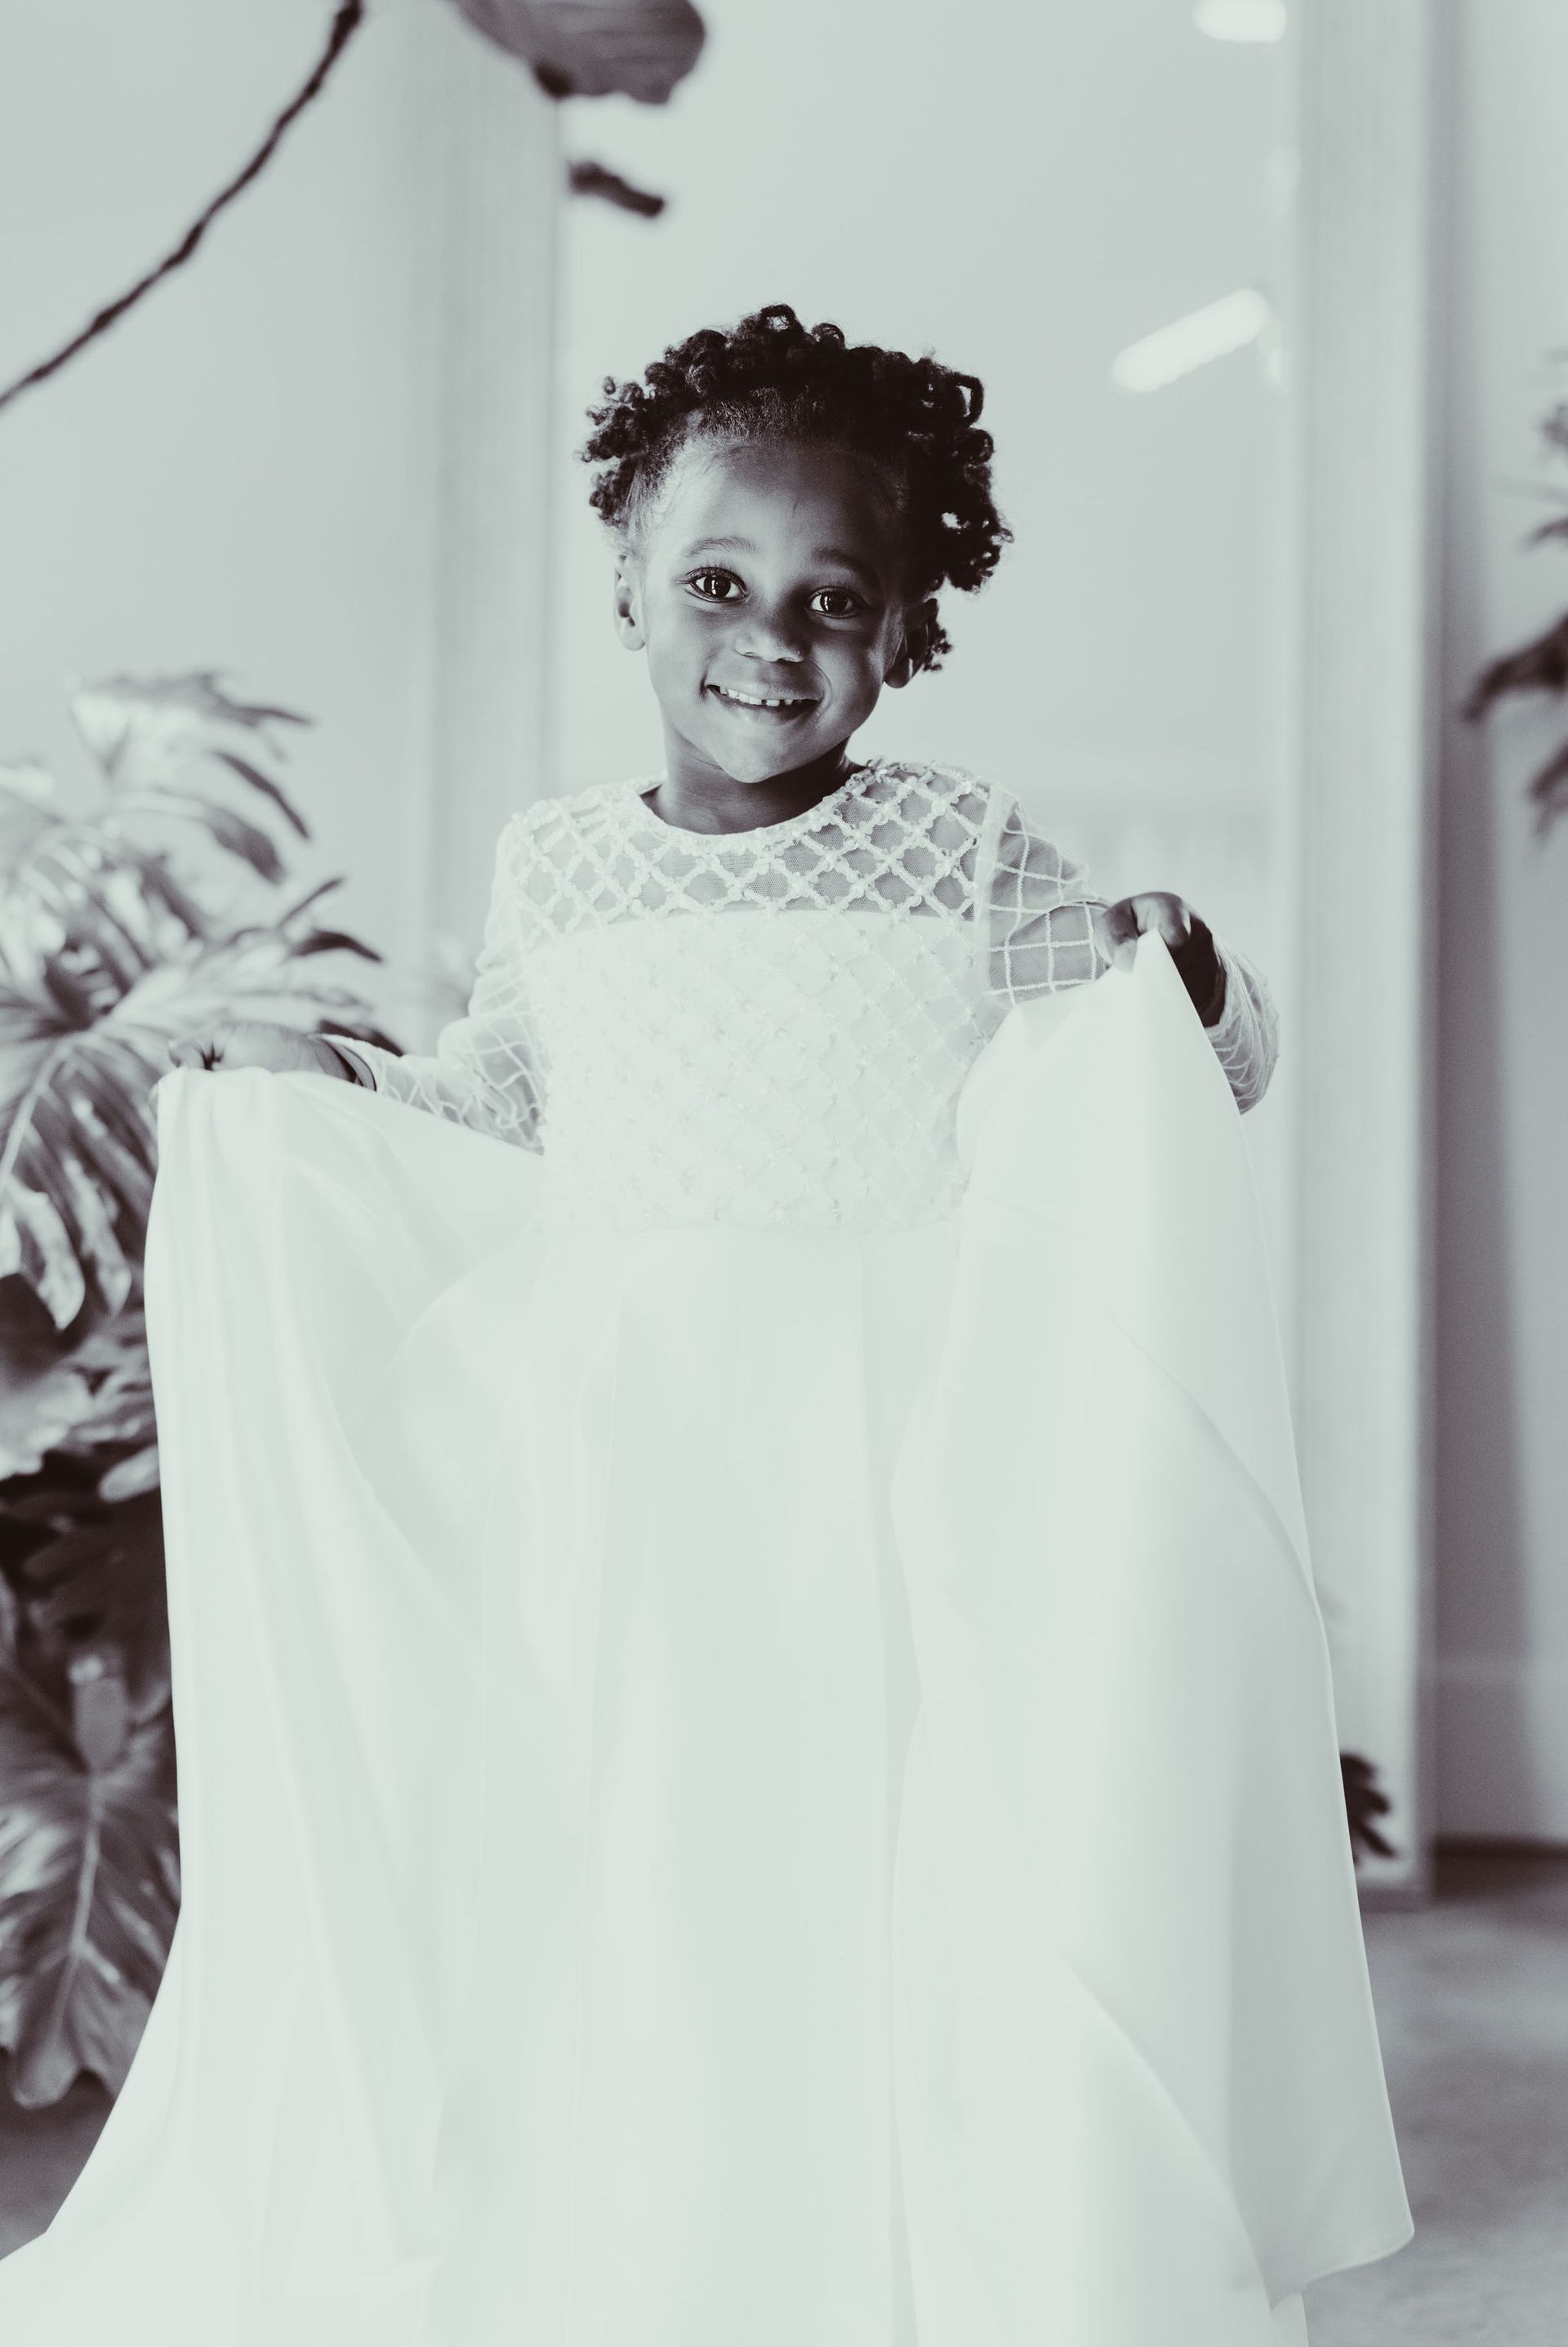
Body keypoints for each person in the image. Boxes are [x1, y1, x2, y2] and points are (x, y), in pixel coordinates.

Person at [0, 304, 1411, 2344]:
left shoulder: (949, 847)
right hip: (622, 1440)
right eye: (721, 585)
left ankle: (892, 2251)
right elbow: (513, 1091)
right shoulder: (561, 864)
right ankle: (650, 2251)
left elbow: (1204, 1064)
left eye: (839, 600)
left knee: (882, 1857)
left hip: (889, 1446)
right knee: (636, 1850)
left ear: (911, 625)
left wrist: (1174, 970)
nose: (773, 637)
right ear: (632, 588)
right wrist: (342, 1088)